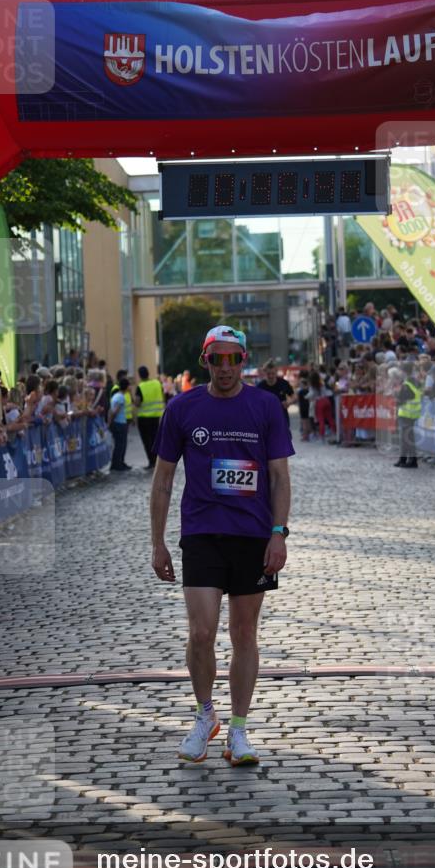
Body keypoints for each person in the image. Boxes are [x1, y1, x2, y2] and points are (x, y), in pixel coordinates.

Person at [150, 324, 293, 766]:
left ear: (244, 361)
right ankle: (203, 715)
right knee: (201, 631)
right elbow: (163, 480)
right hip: (201, 533)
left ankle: (238, 730)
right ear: (204, 360)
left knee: (244, 633)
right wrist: (157, 542)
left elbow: (279, 478)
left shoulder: (266, 406)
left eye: (234, 359)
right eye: (218, 359)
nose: (226, 368)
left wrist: (279, 534)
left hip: (252, 535)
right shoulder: (182, 408)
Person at [135, 365, 165, 469]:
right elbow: (163, 395)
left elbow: (138, 403)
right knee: (155, 440)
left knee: (147, 441)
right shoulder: (157, 383)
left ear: (139, 375)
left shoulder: (140, 386)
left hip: (144, 418)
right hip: (156, 417)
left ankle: (151, 462)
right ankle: (157, 460)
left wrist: (133, 402)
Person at [394, 361, 422, 468]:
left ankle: (409, 460)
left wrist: (397, 396)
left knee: (406, 439)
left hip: (406, 413)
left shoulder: (407, 384)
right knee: (409, 438)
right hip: (413, 414)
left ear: (404, 371)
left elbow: (402, 399)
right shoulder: (415, 381)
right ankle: (405, 459)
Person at [256, 359, 295, 428]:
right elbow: (254, 403)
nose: (271, 376)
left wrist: (288, 402)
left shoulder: (283, 383)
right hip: (266, 420)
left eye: (273, 373)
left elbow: (293, 396)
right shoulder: (260, 386)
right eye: (268, 374)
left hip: (282, 419)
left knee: (283, 438)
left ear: (276, 371)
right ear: (264, 372)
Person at [107, 376, 133, 471]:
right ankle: (117, 464)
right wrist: (111, 422)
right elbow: (115, 411)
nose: (130, 387)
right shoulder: (121, 397)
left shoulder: (116, 395)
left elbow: (110, 410)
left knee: (119, 444)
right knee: (120, 445)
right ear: (126, 386)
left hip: (118, 423)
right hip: (120, 423)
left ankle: (118, 463)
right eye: (129, 385)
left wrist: (110, 422)